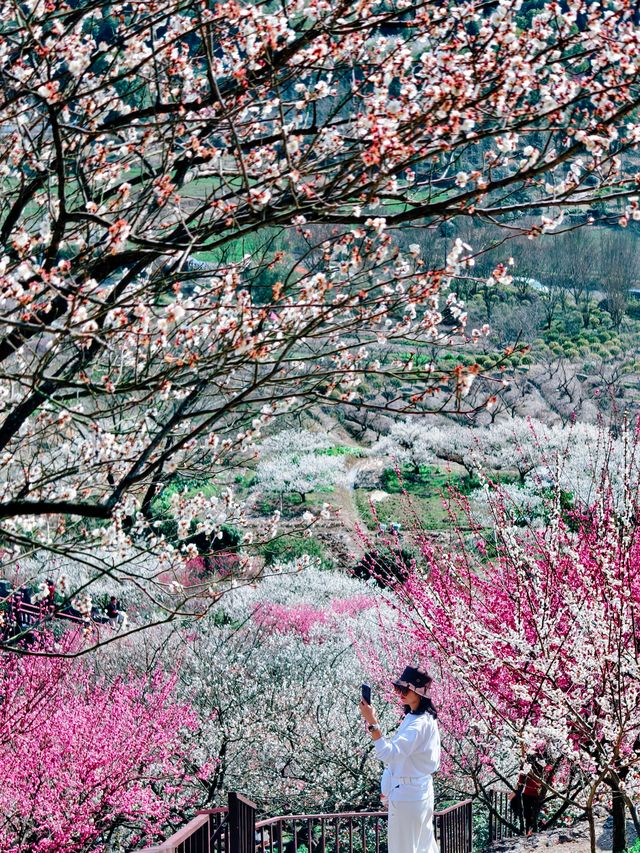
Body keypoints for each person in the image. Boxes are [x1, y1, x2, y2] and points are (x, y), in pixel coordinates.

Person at [359, 665, 441, 853]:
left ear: (419, 692)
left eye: (405, 689)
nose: (400, 693)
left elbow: (388, 754)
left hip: (408, 796)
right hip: (419, 792)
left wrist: (372, 722)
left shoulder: (418, 724)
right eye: (399, 688)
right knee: (424, 847)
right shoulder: (421, 718)